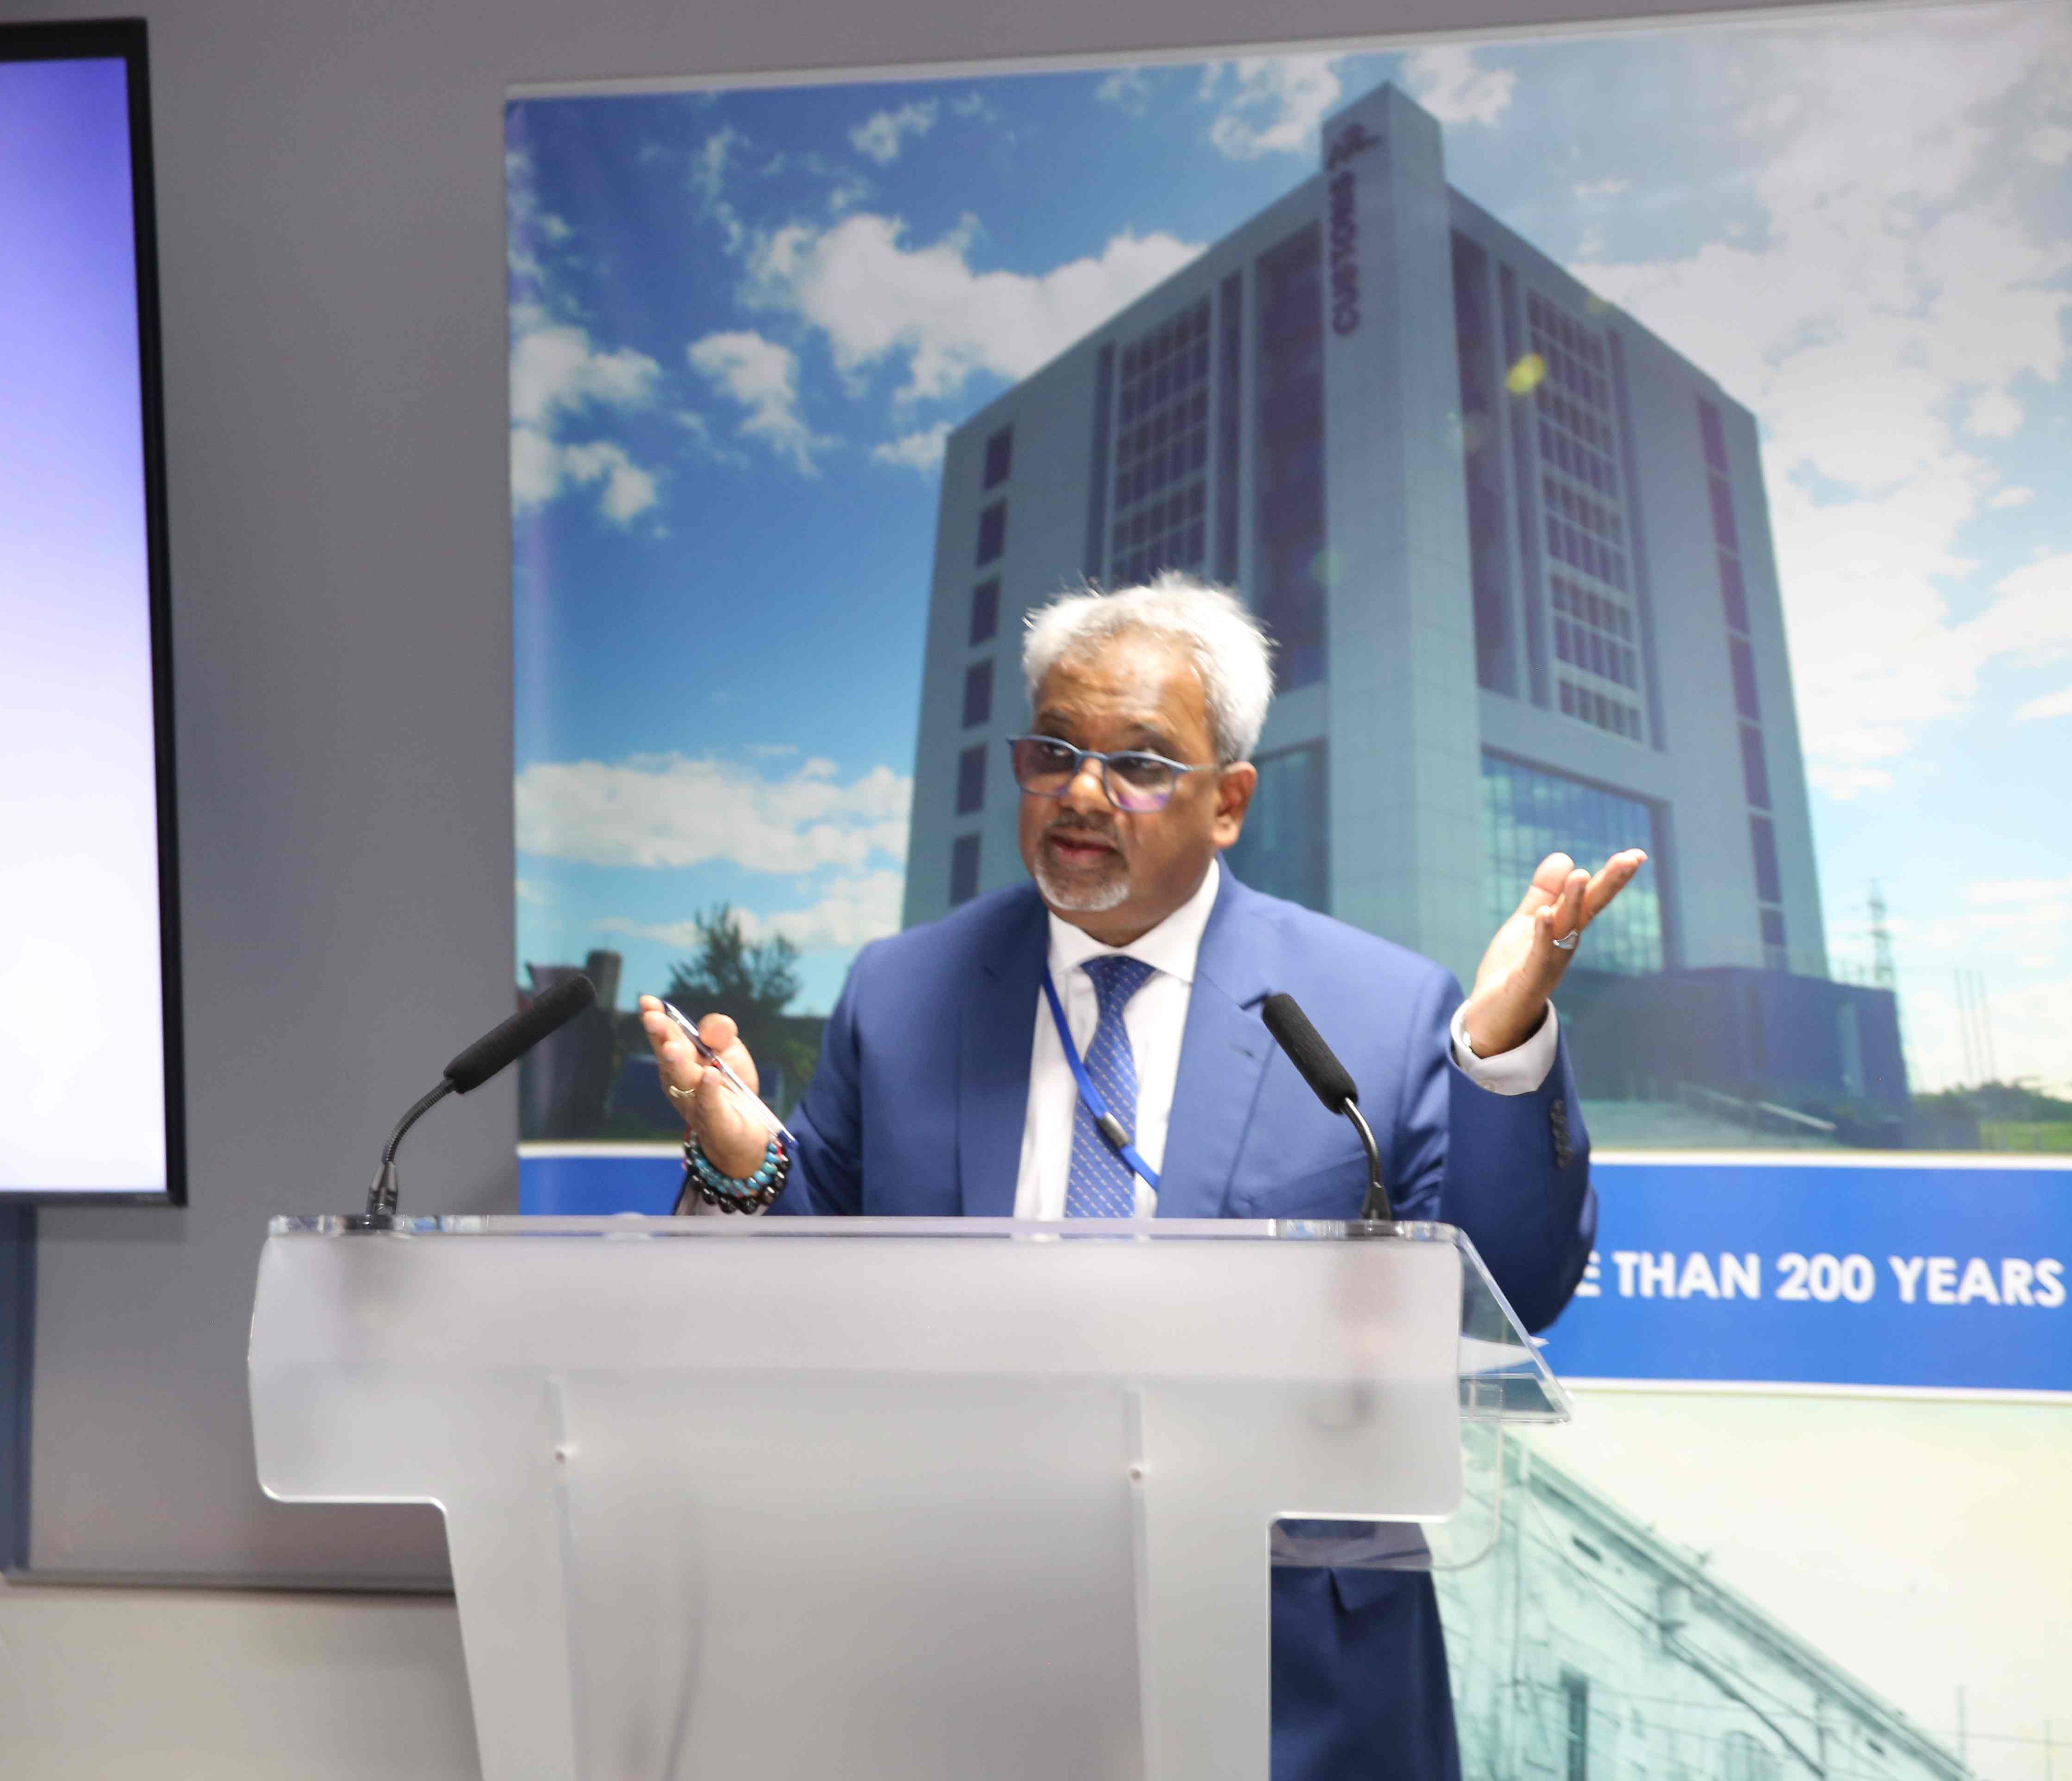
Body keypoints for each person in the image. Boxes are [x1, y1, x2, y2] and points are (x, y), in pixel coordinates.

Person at [639, 572, 1644, 1781]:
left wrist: (1500, 1053)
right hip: (951, 1647)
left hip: (1289, 1682)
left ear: (1230, 803)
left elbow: (1512, 1293)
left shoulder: (1376, 1008)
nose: (1082, 790)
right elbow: (810, 1284)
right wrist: (743, 1165)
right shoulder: (903, 993)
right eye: (1054, 750)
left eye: (1140, 762)